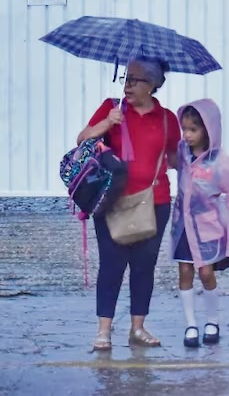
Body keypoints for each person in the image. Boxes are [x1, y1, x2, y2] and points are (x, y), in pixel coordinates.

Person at [77, 56, 180, 351]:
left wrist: (192, 157)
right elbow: (82, 140)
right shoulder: (112, 109)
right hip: (112, 202)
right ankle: (103, 331)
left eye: (135, 79)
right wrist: (107, 123)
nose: (128, 85)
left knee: (143, 266)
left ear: (153, 85)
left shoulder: (167, 119)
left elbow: (173, 158)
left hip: (155, 202)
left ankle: (138, 327)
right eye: (126, 78)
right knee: (111, 266)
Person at [171, 99, 229, 348]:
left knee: (205, 272)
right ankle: (190, 324)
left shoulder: (219, 160)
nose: (187, 135)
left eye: (193, 129)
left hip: (207, 226)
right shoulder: (181, 151)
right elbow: (168, 161)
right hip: (183, 226)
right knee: (185, 271)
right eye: (184, 129)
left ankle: (212, 320)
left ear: (208, 129)